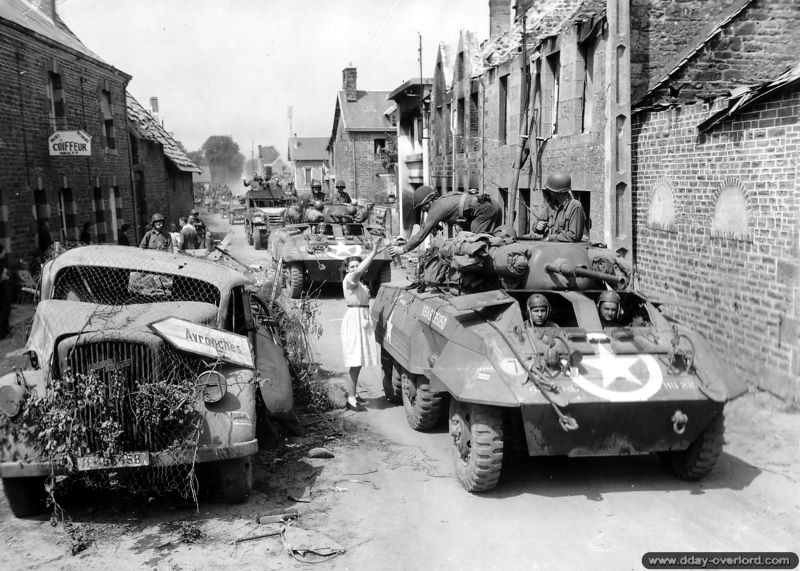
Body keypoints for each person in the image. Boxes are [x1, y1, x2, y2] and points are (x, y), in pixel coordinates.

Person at [388, 186, 502, 257]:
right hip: (492, 206)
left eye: (423, 207)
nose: (424, 210)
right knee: (479, 239)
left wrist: (403, 249)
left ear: (429, 202)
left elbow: (422, 233)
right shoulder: (443, 200)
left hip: (485, 211)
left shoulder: (437, 208)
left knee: (476, 245)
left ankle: (482, 276)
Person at [340, 241, 383, 411]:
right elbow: (358, 273)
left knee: (358, 360)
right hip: (355, 320)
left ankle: (353, 393)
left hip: (361, 318)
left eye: (357, 265)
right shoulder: (351, 279)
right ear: (347, 269)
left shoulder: (359, 283)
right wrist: (372, 253)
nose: (355, 268)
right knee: (355, 361)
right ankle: (351, 399)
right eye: (351, 266)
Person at [531, 172, 586, 242]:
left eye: (550, 191)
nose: (549, 193)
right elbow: (540, 221)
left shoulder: (575, 207)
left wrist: (551, 237)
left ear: (558, 192)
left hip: (566, 250)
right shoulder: (551, 205)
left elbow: (574, 236)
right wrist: (537, 226)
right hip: (549, 248)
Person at [0, 244, 10, 339]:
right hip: (2, 289)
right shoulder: (1, 263)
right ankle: (3, 332)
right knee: (5, 310)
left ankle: (5, 331)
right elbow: (3, 277)